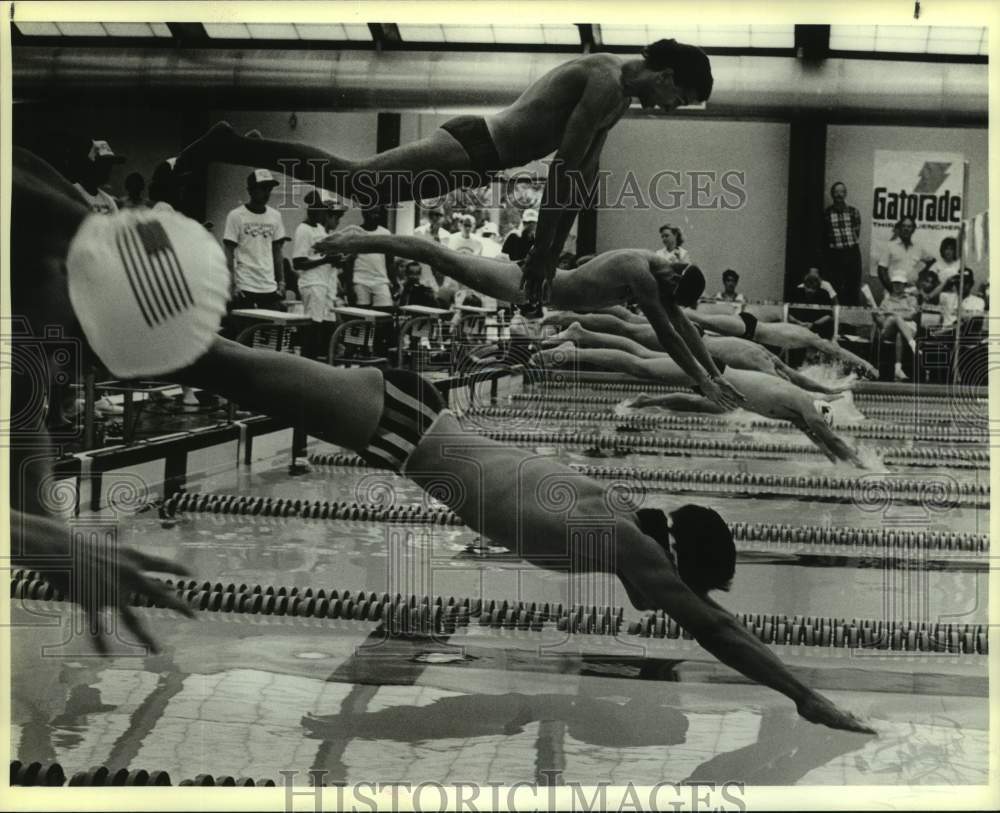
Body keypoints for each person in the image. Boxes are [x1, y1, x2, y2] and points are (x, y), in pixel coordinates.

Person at [168, 337, 872, 734]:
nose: (666, 606)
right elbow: (714, 627)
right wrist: (802, 694)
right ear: (676, 565)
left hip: (410, 422)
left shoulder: (624, 523)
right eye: (685, 588)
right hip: (397, 420)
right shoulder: (629, 542)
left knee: (206, 361)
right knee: (204, 357)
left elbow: (684, 606)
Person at [174, 39, 714, 299]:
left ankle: (257, 149)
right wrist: (542, 256)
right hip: (472, 144)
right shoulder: (604, 82)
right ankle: (234, 145)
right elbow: (563, 173)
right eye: (680, 99)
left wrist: (548, 256)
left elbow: (582, 180)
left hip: (478, 162)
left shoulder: (618, 100)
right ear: (667, 76)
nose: (671, 109)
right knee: (357, 181)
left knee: (359, 186)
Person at [9, 147, 228, 652]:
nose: (67, 370)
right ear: (61, 273)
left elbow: (23, 411)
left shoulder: (52, 260)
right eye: (76, 341)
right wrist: (40, 542)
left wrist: (55, 536)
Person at [317, 227, 745, 410]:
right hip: (523, 284)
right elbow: (668, 335)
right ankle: (361, 239)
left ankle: (362, 239)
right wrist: (703, 381)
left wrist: (712, 373)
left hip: (534, 290)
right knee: (438, 255)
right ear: (675, 274)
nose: (667, 299)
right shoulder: (641, 271)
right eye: (671, 293)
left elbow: (683, 326)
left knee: (440, 257)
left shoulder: (658, 275)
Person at [533, 330, 862, 466]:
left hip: (716, 385)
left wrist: (846, 466)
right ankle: (572, 349)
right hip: (710, 373)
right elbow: (830, 438)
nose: (814, 427)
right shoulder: (804, 403)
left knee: (644, 361)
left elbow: (822, 440)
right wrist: (867, 468)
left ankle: (582, 340)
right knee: (639, 364)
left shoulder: (799, 412)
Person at [542, 313, 851, 395]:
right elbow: (792, 384)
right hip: (689, 343)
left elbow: (796, 378)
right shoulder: (766, 366)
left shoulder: (765, 355)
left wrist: (829, 391)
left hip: (695, 343)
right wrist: (822, 397)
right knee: (632, 338)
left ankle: (579, 333)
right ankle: (574, 326)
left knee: (633, 338)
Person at [223, 169, 287, 311]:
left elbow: (277, 251)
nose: (267, 193)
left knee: (270, 324)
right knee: (246, 324)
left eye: (269, 189)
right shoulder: (236, 215)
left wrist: (281, 282)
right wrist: (232, 285)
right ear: (251, 190)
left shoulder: (275, 216)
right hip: (245, 286)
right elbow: (229, 253)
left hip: (269, 286)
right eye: (262, 188)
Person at [292, 190, 344, 358]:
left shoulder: (320, 230)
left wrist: (336, 259)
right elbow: (298, 262)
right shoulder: (304, 229)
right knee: (313, 328)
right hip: (312, 283)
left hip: (324, 284)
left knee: (326, 327)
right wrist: (325, 259)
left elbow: (324, 258)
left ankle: (322, 361)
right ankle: (309, 361)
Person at [873, 271, 919, 381]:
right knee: (895, 318)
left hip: (908, 327)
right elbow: (881, 320)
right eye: (895, 283)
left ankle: (897, 369)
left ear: (904, 285)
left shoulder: (911, 299)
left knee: (899, 331)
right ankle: (913, 344)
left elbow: (911, 315)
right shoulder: (886, 301)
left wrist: (892, 313)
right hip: (889, 329)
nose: (897, 286)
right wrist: (877, 316)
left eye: (899, 283)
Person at [822, 182, 862, 305]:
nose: (839, 194)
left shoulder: (853, 212)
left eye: (842, 192)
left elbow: (856, 232)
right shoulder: (827, 213)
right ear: (832, 194)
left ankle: (851, 314)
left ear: (845, 194)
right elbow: (825, 235)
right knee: (835, 287)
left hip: (851, 253)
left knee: (853, 286)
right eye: (836, 192)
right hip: (834, 254)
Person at [347, 207, 396, 307]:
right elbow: (349, 261)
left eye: (377, 213)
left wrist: (393, 280)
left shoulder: (385, 233)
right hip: (359, 280)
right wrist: (349, 285)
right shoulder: (355, 232)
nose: (375, 216)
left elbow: (389, 260)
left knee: (385, 310)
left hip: (380, 280)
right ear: (364, 213)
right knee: (361, 312)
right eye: (372, 213)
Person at [874, 216, 935, 291]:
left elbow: (932, 260)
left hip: (912, 290)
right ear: (899, 228)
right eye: (903, 226)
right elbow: (881, 270)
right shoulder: (890, 246)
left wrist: (921, 275)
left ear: (913, 230)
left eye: (909, 227)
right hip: (894, 290)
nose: (906, 229)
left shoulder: (918, 248)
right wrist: (891, 289)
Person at [70, 139, 126, 215]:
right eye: (103, 165)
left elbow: (117, 221)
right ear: (89, 165)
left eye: (109, 166)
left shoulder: (108, 201)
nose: (108, 170)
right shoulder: (72, 192)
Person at [788, 267, 835, 340]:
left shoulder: (824, 294)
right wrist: (798, 323)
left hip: (817, 330)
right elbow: (786, 312)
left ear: (818, 288)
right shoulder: (796, 292)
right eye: (807, 286)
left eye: (813, 288)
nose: (810, 290)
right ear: (804, 285)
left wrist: (813, 324)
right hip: (797, 328)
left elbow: (829, 315)